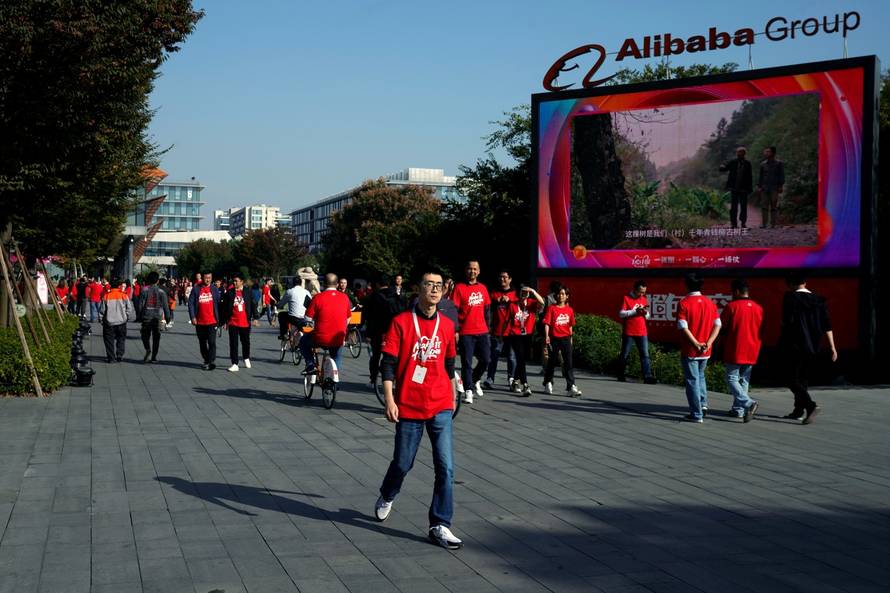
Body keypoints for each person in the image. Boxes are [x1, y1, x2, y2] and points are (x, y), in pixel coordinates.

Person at [374, 270, 462, 550]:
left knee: (445, 467)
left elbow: (449, 365)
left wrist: (453, 394)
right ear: (419, 288)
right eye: (429, 284)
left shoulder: (447, 325)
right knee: (403, 462)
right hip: (409, 404)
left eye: (439, 286)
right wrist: (390, 399)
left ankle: (440, 523)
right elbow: (387, 364)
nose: (434, 290)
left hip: (440, 405)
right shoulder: (401, 322)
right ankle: (388, 493)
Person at [779, 273, 837, 424]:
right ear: (805, 283)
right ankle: (798, 410)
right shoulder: (819, 300)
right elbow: (827, 324)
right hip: (814, 346)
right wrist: (832, 347)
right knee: (803, 378)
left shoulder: (790, 298)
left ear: (790, 284)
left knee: (790, 378)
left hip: (794, 345)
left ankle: (810, 406)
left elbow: (786, 321)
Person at [677, 273, 721, 423]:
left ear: (686, 285)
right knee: (700, 377)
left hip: (691, 350)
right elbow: (718, 325)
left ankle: (696, 414)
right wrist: (708, 342)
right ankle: (703, 405)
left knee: (692, 380)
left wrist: (696, 343)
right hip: (706, 350)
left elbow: (683, 327)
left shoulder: (684, 303)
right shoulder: (710, 303)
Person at [720, 279, 763, 422]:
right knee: (744, 379)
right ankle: (738, 410)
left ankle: (749, 403)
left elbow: (722, 327)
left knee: (731, 378)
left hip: (735, 348)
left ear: (737, 292)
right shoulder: (758, 307)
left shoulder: (731, 307)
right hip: (753, 348)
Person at [451, 261, 491, 402]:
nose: (472, 271)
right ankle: (468, 390)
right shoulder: (459, 288)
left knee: (486, 360)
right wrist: (455, 330)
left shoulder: (483, 288)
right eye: (469, 269)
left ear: (479, 271)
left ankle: (474, 380)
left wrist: (488, 328)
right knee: (466, 363)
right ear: (465, 270)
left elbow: (487, 310)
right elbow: (454, 311)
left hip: (482, 331)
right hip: (465, 332)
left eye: (475, 269)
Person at [300, 273, 352, 373]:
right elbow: (348, 317)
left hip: (320, 338)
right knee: (336, 355)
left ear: (323, 284)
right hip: (338, 337)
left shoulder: (318, 298)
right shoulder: (345, 298)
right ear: (337, 284)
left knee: (303, 342)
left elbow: (307, 318)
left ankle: (311, 365)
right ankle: (334, 381)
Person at [363, 275, 404, 389]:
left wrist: (368, 334)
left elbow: (369, 317)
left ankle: (373, 379)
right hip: (394, 331)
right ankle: (393, 380)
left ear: (378, 284)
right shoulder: (397, 296)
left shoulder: (373, 297)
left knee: (375, 356)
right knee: (393, 357)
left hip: (377, 331)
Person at [506, 285, 544, 396]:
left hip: (528, 335)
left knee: (523, 358)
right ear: (519, 293)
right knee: (521, 358)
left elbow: (542, 303)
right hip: (515, 335)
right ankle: (525, 385)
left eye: (526, 292)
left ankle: (514, 380)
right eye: (523, 292)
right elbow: (507, 321)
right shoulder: (513, 305)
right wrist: (501, 335)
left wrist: (533, 291)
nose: (525, 294)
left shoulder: (531, 303)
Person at [484, 270, 517, 392]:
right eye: (500, 277)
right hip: (497, 331)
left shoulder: (515, 294)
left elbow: (520, 306)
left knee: (512, 357)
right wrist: (497, 300)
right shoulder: (494, 293)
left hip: (512, 332)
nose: (502, 279)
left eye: (505, 277)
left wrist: (510, 300)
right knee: (494, 356)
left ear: (510, 279)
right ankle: (489, 379)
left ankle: (512, 379)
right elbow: (488, 304)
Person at [543, 285, 579, 396]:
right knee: (552, 362)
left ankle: (571, 386)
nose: (561, 296)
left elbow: (570, 326)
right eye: (559, 293)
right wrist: (547, 336)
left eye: (563, 294)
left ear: (567, 296)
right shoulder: (551, 308)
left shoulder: (570, 310)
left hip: (566, 339)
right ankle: (548, 382)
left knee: (568, 363)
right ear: (556, 296)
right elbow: (547, 323)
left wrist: (571, 338)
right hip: (554, 339)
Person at [617, 280, 656, 384]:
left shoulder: (643, 299)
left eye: (644, 292)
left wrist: (645, 313)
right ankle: (620, 374)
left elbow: (647, 316)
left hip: (642, 331)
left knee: (645, 354)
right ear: (635, 289)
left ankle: (647, 377)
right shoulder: (626, 298)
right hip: (629, 331)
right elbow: (621, 313)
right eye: (640, 291)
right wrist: (635, 311)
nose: (642, 294)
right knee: (625, 354)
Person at [188, 271, 221, 370]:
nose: (208, 280)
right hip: (200, 321)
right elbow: (191, 303)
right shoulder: (196, 289)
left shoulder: (214, 289)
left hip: (212, 321)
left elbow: (219, 303)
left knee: (212, 342)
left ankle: (211, 362)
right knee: (202, 343)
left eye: (210, 278)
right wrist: (193, 317)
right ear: (202, 278)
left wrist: (221, 320)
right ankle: (206, 359)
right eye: (206, 278)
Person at [135, 271, 171, 363]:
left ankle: (147, 348)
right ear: (157, 281)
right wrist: (167, 318)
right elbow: (166, 306)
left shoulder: (144, 290)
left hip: (147, 316)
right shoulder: (161, 292)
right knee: (156, 337)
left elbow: (140, 305)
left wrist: (139, 315)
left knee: (145, 335)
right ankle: (154, 357)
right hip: (157, 317)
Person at [222, 274, 256, 372]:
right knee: (233, 343)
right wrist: (224, 321)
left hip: (244, 322)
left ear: (242, 281)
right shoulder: (230, 292)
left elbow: (253, 304)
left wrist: (255, 317)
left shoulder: (248, 291)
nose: (234, 282)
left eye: (236, 281)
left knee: (245, 342)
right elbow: (225, 308)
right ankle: (234, 363)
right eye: (234, 281)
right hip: (233, 322)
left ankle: (246, 357)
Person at [101, 277, 134, 362]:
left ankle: (111, 358)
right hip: (121, 322)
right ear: (119, 286)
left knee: (109, 340)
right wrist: (126, 317)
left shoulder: (106, 296)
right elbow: (129, 309)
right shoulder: (124, 295)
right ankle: (119, 354)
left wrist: (101, 320)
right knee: (121, 339)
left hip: (109, 322)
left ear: (111, 286)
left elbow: (102, 311)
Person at [719, 146, 753, 229]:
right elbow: (725, 168)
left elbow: (750, 176)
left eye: (740, 152)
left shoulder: (747, 163)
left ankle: (743, 223)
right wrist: (721, 166)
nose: (739, 154)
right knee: (733, 207)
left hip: (744, 188)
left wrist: (750, 188)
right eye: (738, 152)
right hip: (734, 188)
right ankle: (733, 223)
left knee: (743, 207)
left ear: (744, 154)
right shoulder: (733, 162)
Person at [757, 145, 785, 229]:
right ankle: (764, 224)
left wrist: (780, 186)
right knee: (764, 206)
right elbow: (761, 176)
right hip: (764, 187)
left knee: (774, 206)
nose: (766, 153)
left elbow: (781, 175)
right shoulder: (763, 164)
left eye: (768, 151)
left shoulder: (779, 163)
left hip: (774, 187)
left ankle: (773, 224)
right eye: (766, 151)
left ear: (773, 153)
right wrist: (759, 186)